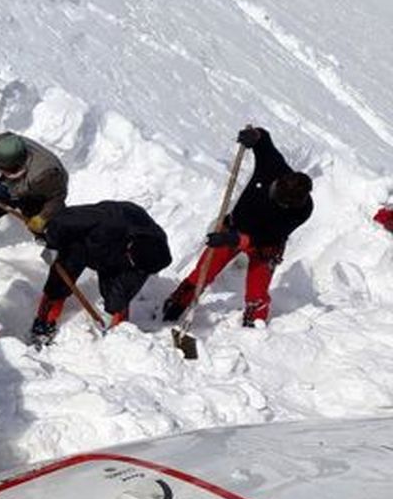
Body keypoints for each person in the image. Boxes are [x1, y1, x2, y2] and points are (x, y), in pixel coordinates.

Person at [162, 127, 313, 327]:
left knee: (256, 291)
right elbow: (264, 141)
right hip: (234, 227)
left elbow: (267, 236)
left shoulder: (302, 211)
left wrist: (233, 239)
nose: (273, 197)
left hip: (264, 246)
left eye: (279, 201)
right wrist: (255, 136)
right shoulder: (273, 167)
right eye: (275, 191)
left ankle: (254, 321)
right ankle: (178, 302)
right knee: (203, 272)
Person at [32, 201, 172, 344]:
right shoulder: (107, 219)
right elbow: (63, 220)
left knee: (119, 298)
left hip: (116, 257)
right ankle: (44, 321)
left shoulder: (154, 255)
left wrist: (114, 309)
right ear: (131, 249)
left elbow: (129, 282)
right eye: (132, 262)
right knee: (61, 279)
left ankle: (118, 333)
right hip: (85, 244)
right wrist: (52, 244)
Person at [0, 132, 68, 235]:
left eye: (4, 170)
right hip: (16, 182)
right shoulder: (3, 144)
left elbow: (57, 198)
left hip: (43, 189)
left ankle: (53, 237)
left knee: (49, 225)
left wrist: (43, 217)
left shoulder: (44, 176)